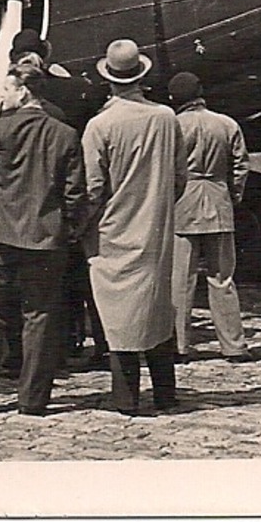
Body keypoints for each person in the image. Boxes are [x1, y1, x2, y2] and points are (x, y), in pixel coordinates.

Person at [0, 66, 87, 416]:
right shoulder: (65, 135)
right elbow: (75, 193)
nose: (3, 95)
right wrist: (72, 230)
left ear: (25, 92)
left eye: (7, 89)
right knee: (41, 316)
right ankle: (33, 400)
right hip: (45, 237)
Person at [81, 39, 185, 416]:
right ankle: (165, 392)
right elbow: (179, 177)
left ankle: (125, 396)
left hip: (113, 228)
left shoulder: (99, 125)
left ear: (109, 80)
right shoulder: (165, 118)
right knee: (157, 307)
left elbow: (93, 187)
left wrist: (82, 224)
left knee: (118, 313)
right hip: (155, 225)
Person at [11, 29, 108, 371]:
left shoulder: (10, 98)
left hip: (24, 203)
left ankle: (48, 346)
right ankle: (99, 342)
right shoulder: (73, 90)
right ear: (46, 54)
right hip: (68, 193)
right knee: (81, 274)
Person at [166, 71, 252, 362]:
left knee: (181, 278)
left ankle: (179, 344)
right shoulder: (226, 123)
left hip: (183, 203)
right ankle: (233, 345)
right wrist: (233, 195)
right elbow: (240, 166)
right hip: (218, 200)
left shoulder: (173, 126)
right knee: (222, 277)